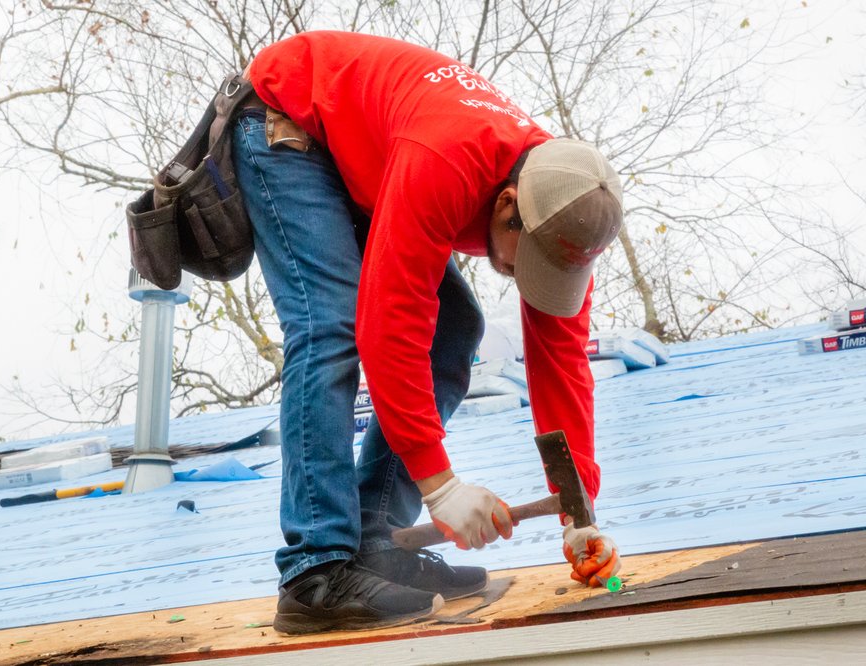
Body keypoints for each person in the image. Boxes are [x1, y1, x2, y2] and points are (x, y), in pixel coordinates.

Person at [231, 31, 623, 635]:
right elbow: (387, 325)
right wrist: (440, 486)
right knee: (327, 324)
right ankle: (315, 570)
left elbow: (561, 362)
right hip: (289, 120)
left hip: (362, 151)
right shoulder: (446, 160)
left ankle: (374, 541)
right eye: (527, 261)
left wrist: (578, 510)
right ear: (506, 204)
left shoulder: (564, 209)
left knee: (455, 327)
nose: (528, 279)